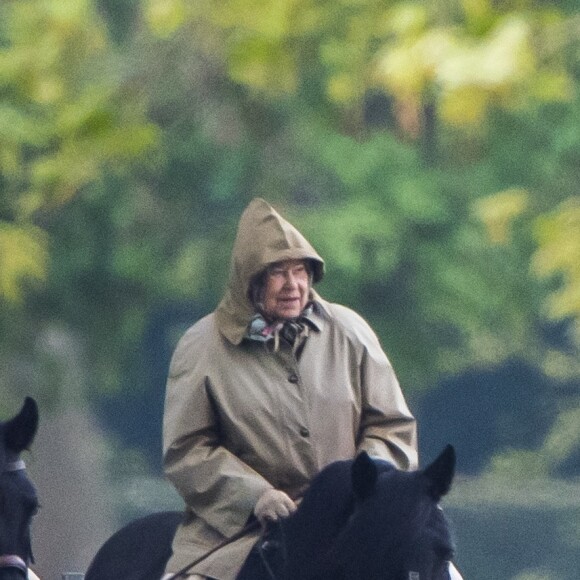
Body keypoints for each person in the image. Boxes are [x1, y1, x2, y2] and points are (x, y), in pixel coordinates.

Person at [161, 198, 440, 580]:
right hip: (239, 534)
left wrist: (361, 486)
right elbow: (187, 449)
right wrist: (255, 497)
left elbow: (390, 425)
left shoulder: (351, 331)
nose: (293, 285)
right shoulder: (202, 347)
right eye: (277, 273)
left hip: (350, 526)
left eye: (301, 271)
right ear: (250, 280)